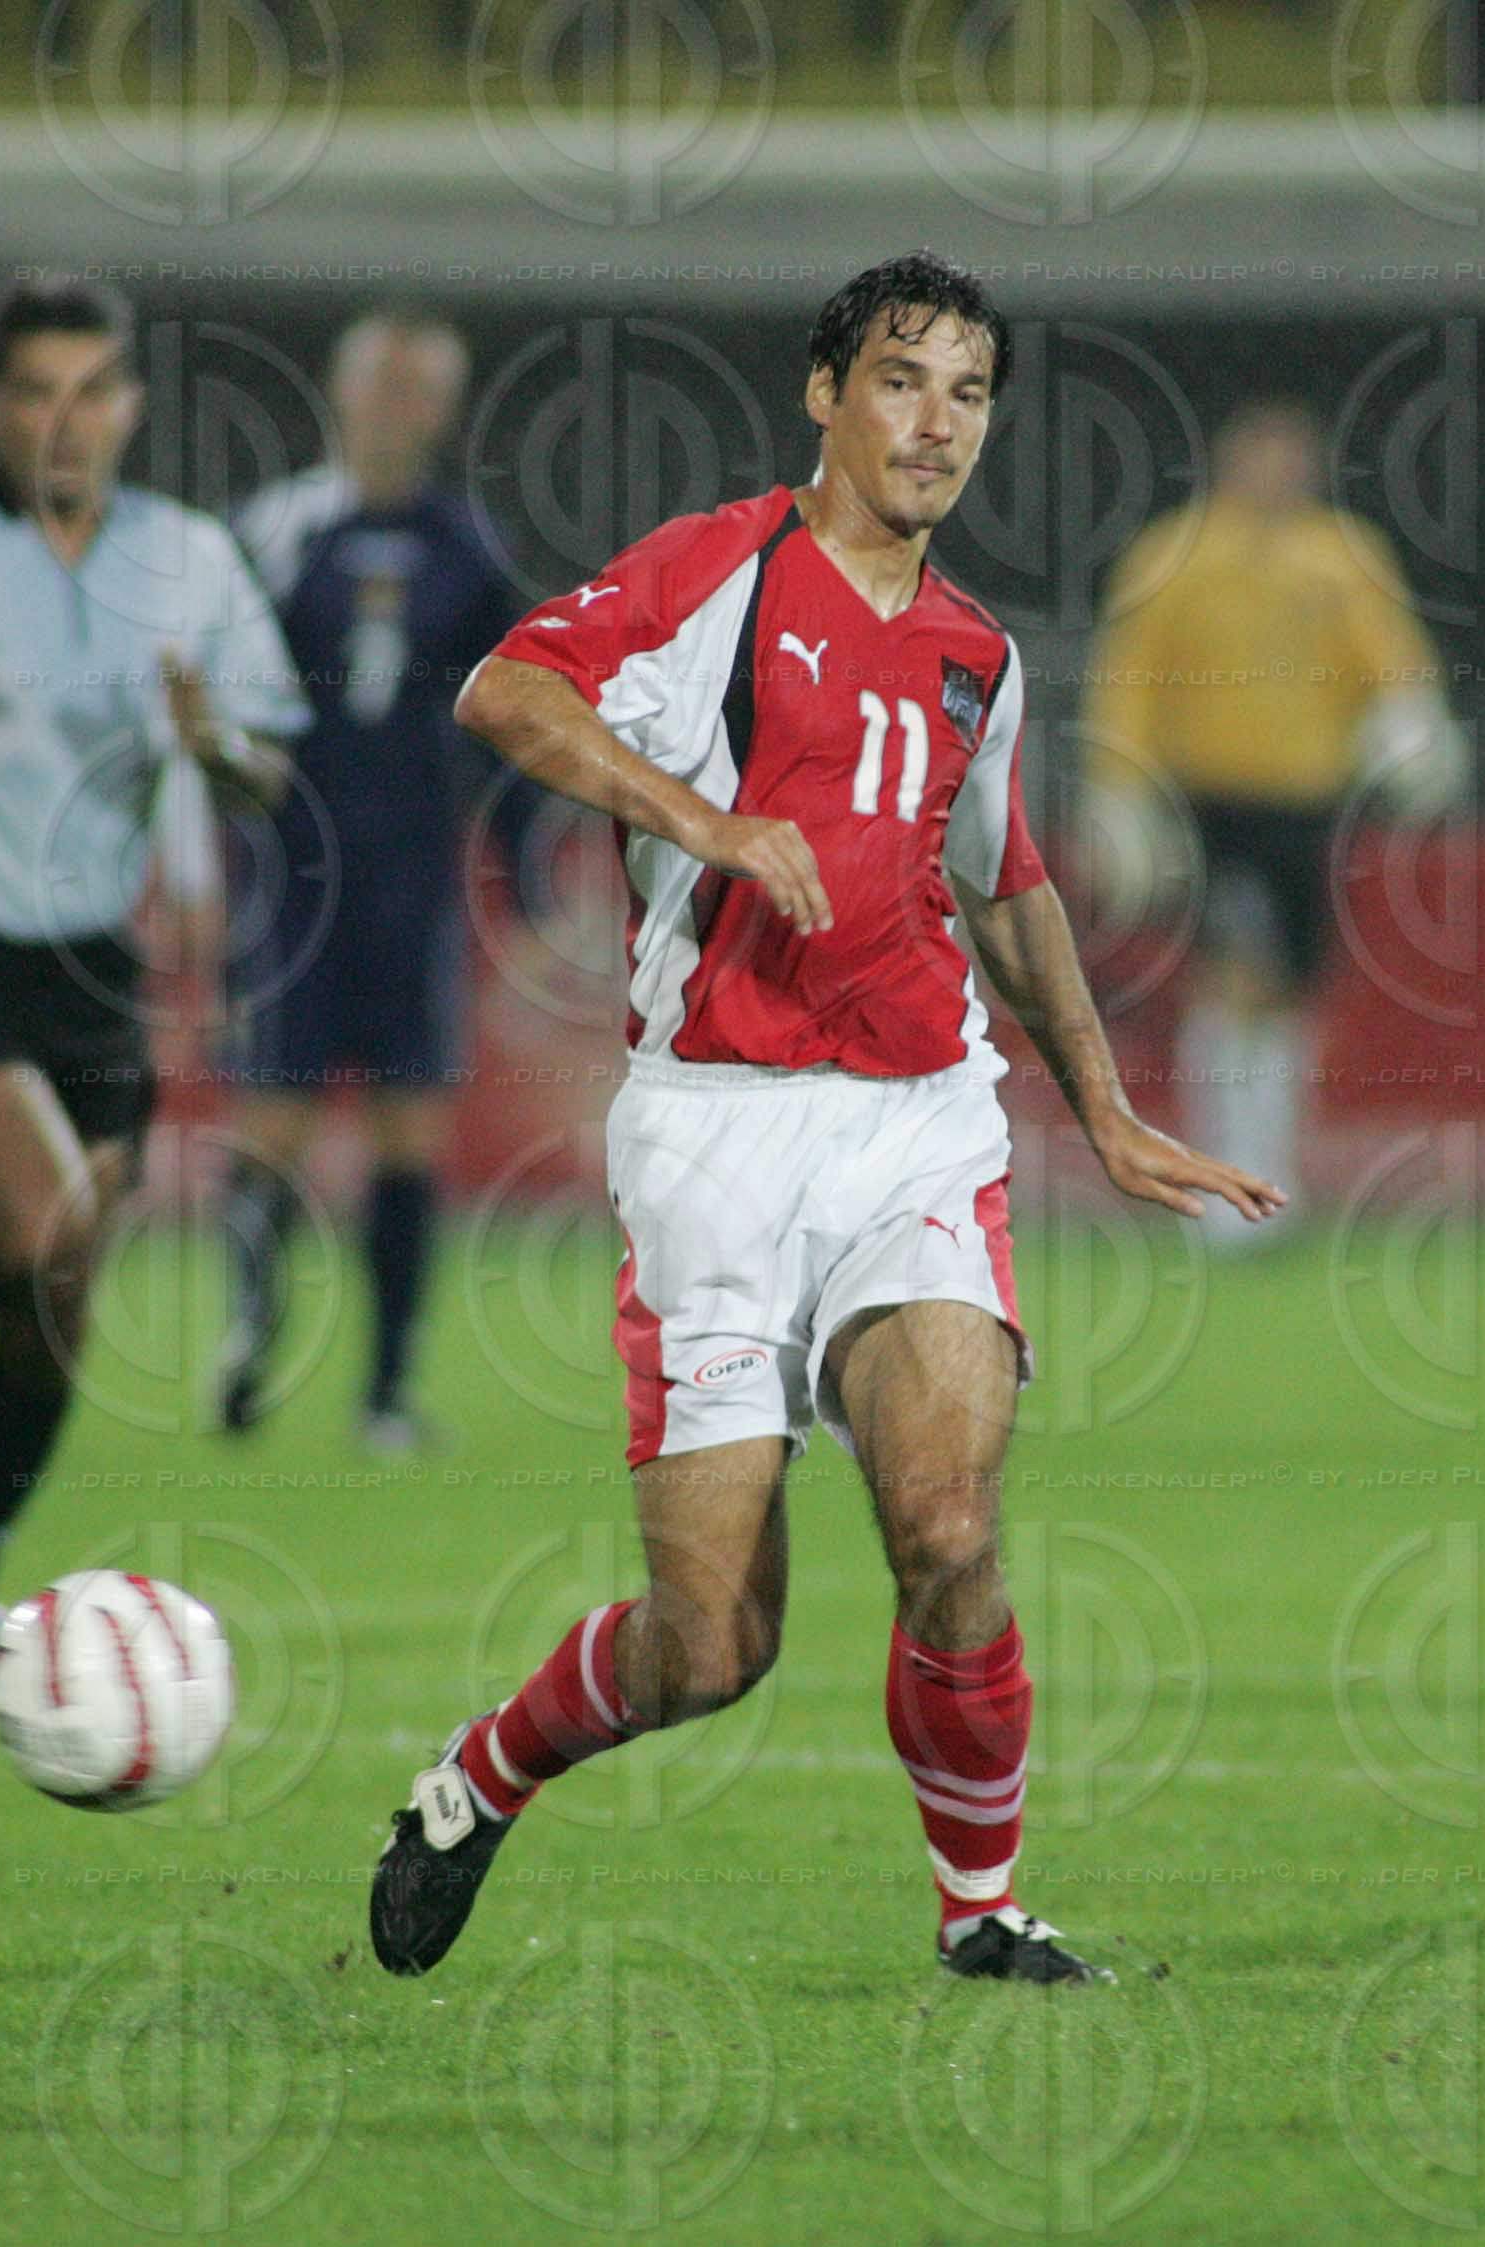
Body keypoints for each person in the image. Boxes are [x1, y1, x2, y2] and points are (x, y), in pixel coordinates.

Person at [370, 254, 1281, 1985]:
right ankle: (486, 1771)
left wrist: (1105, 1109)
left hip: (916, 1123)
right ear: (826, 394)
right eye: (901, 381)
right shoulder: (710, 570)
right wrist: (702, 822)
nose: (936, 423)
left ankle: (982, 1909)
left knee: (946, 1521)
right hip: (712, 1136)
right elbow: (505, 690)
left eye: (969, 393)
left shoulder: (977, 654)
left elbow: (1003, 881)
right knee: (710, 1645)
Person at [0, 274, 301, 1671]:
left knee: (60, 1294)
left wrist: (212, 744)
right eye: (35, 393)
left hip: (91, 965)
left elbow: (270, 771)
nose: (64, 421)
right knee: (44, 1230)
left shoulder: (190, 561)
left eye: (91, 392)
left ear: (129, 407)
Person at [217, 307, 527, 1452]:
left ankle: (387, 1395)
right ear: (340, 392)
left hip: (415, 884)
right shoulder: (273, 530)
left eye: (419, 388)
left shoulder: (468, 547)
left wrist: (527, 883)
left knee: (409, 1132)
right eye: (382, 384)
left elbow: (517, 719)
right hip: (291, 887)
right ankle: (249, 1336)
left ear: (443, 408)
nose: (399, 407)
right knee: (272, 1123)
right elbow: (212, 698)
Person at [1082, 399, 1460, 1244]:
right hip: (1208, 802)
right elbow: (1129, 678)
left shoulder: (1345, 557)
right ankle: (1222, 1189)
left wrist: (1414, 722)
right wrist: (1117, 790)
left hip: (1309, 805)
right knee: (1229, 981)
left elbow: (1391, 662)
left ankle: (1267, 1175)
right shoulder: (1176, 554)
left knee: (1288, 996)